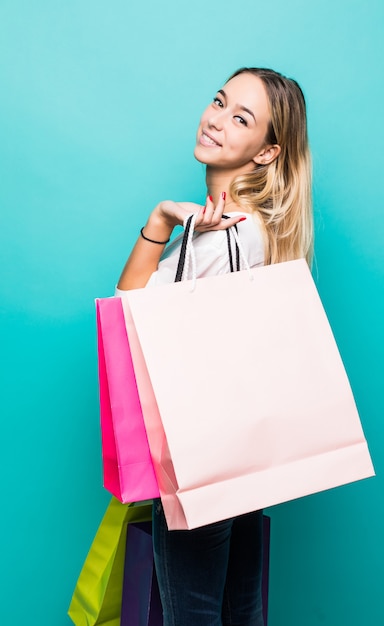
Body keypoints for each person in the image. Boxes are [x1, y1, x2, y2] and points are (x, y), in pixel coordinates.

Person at [116, 67, 313, 626]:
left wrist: (157, 219)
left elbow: (129, 310)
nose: (217, 120)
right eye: (220, 102)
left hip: (198, 450)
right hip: (242, 451)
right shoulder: (261, 228)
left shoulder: (218, 236)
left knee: (194, 612)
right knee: (238, 610)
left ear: (267, 153)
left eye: (241, 118)